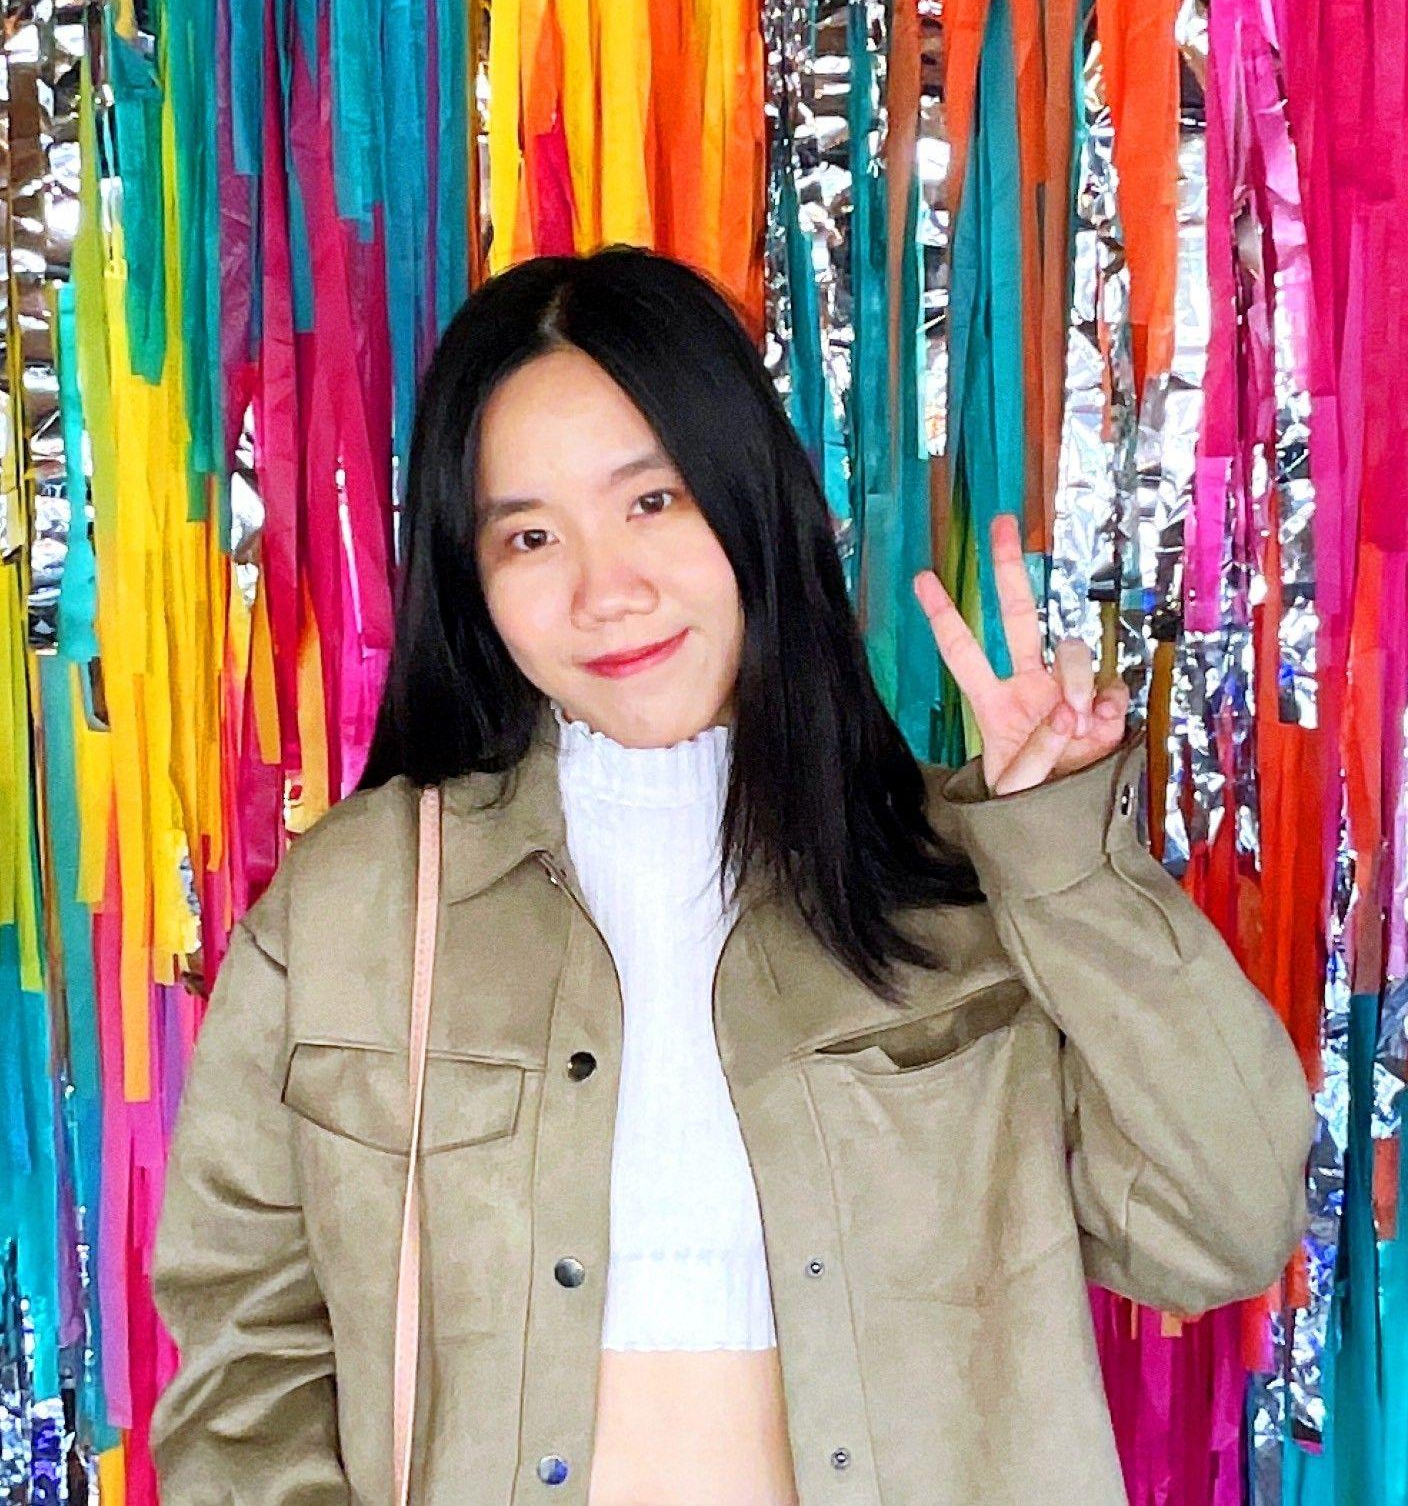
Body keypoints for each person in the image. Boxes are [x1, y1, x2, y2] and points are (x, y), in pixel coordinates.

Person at [149, 245, 1314, 1504]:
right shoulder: (352, 910)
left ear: (749, 498)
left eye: (652, 501)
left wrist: (1064, 861)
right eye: (530, 535)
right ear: (471, 581)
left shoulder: (962, 883)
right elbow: (242, 1357)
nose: (606, 589)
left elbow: (1223, 1221)